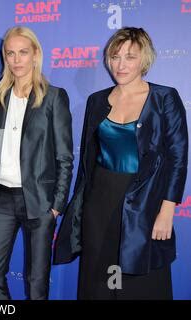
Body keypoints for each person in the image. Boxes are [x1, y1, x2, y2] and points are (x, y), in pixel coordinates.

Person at [54, 27, 188, 300]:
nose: (121, 64)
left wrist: (167, 210)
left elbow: (178, 158)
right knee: (99, 278)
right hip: (99, 202)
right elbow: (88, 164)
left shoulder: (165, 98)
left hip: (145, 203)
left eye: (130, 56)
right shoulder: (97, 100)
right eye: (115, 56)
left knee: (140, 282)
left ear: (144, 59)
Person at [0, 26, 73, 300]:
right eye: (10, 53)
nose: (16, 59)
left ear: (35, 54)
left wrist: (57, 205)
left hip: (39, 200)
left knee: (36, 281)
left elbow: (65, 156)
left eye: (23, 52)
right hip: (0, 198)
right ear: (5, 57)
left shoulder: (53, 97)